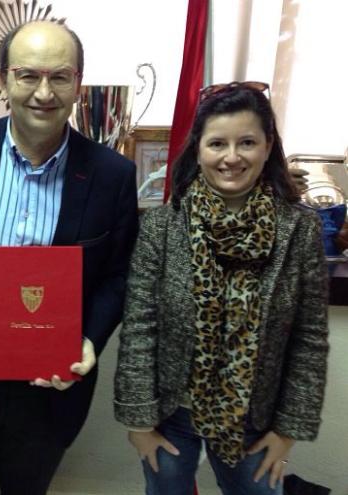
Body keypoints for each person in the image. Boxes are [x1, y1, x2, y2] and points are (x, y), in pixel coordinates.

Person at [0, 20, 138, 495]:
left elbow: (119, 275)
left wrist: (89, 339)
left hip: (48, 387)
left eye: (60, 76)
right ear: (4, 80)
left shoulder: (111, 174)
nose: (44, 92)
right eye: (27, 75)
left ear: (78, 84)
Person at [114, 81, 330, 495]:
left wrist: (288, 431)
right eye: (217, 144)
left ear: (268, 147)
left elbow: (309, 339)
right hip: (172, 412)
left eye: (246, 142)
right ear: (199, 149)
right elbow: (140, 328)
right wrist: (139, 424)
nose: (232, 157)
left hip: (255, 415)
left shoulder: (300, 230)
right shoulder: (161, 228)